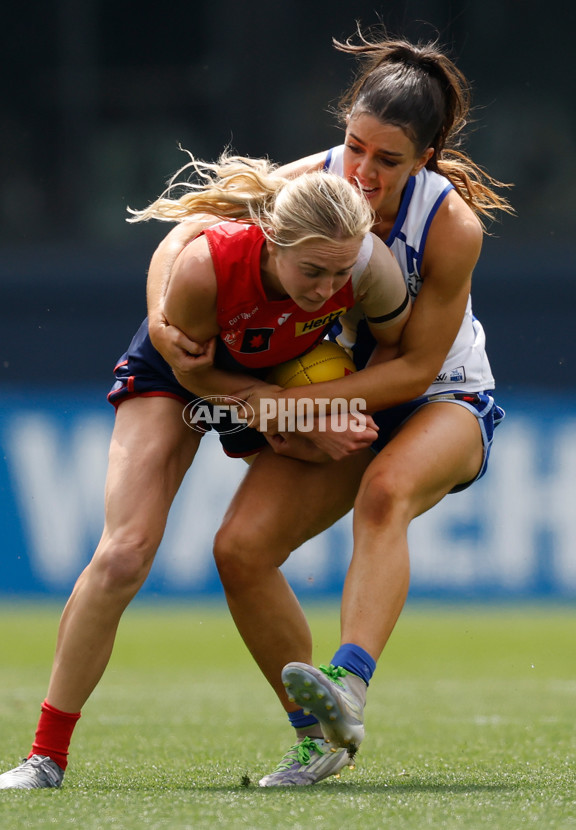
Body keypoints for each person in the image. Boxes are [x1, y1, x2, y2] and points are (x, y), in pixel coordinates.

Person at [150, 29, 513, 786]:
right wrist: (160, 319)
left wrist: (287, 405)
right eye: (354, 147)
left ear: (425, 159)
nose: (362, 173)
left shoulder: (451, 228)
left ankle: (348, 682)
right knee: (239, 550)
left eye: (389, 161)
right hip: (341, 394)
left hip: (443, 397)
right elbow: (187, 234)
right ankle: (318, 738)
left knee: (385, 493)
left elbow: (414, 369)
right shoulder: (308, 184)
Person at [0, 154, 412, 790]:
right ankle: (44, 757)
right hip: (188, 377)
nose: (327, 288)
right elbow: (194, 374)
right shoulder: (208, 268)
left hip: (279, 383)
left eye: (339, 271)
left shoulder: (370, 269)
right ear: (274, 241)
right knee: (124, 555)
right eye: (311, 270)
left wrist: (324, 408)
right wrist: (290, 413)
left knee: (243, 550)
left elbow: (398, 353)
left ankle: (315, 742)